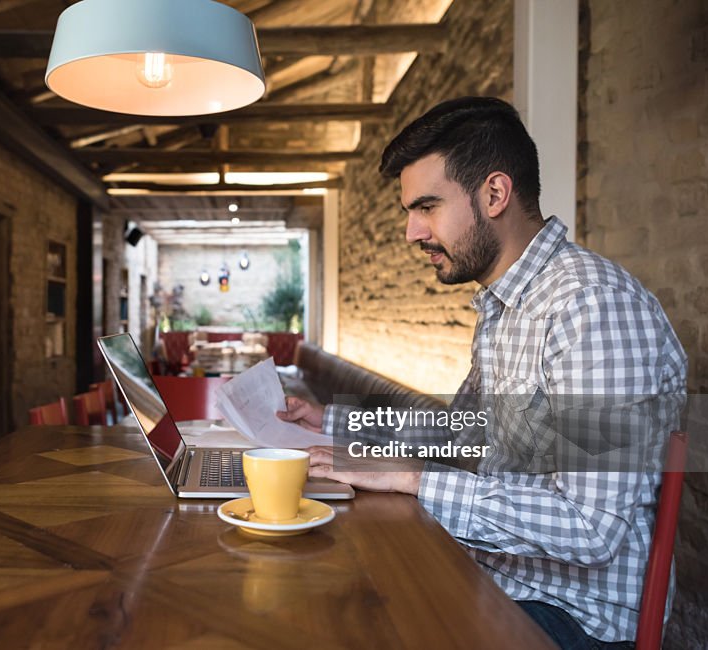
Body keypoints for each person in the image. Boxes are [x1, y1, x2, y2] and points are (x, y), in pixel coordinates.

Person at [277, 97, 686, 649]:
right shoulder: (503, 306)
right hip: (500, 577)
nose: (411, 232)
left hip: (572, 618)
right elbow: (461, 433)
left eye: (426, 206)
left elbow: (591, 527)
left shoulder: (590, 307)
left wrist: (413, 479)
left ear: (495, 194)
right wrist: (339, 425)